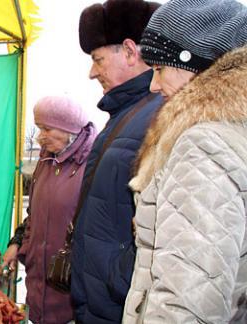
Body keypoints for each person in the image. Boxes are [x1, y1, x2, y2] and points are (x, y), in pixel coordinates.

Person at [122, 0, 247, 322]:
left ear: (196, 65)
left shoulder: (204, 146)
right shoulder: (233, 133)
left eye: (160, 68)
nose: (153, 85)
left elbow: (188, 301)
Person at [69, 0, 164, 323]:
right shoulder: (126, 114)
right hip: (102, 301)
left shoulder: (158, 116)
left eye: (97, 59)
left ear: (129, 50)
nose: (92, 71)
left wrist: (117, 279)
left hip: (115, 306)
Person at [2, 96, 97, 323]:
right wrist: (17, 243)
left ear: (69, 129)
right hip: (38, 284)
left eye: (46, 129)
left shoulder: (93, 165)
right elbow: (34, 214)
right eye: (38, 128)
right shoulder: (46, 162)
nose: (39, 137)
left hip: (69, 290)